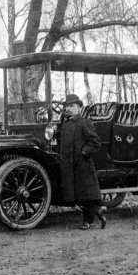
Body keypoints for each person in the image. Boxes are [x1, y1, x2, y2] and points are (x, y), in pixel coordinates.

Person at [58, 94, 107, 230]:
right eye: (67, 106)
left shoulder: (84, 123)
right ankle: (98, 211)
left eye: (71, 106)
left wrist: (84, 152)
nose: (68, 108)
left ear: (79, 108)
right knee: (79, 196)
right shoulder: (65, 124)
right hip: (69, 165)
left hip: (82, 165)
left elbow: (95, 142)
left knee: (85, 195)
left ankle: (88, 220)